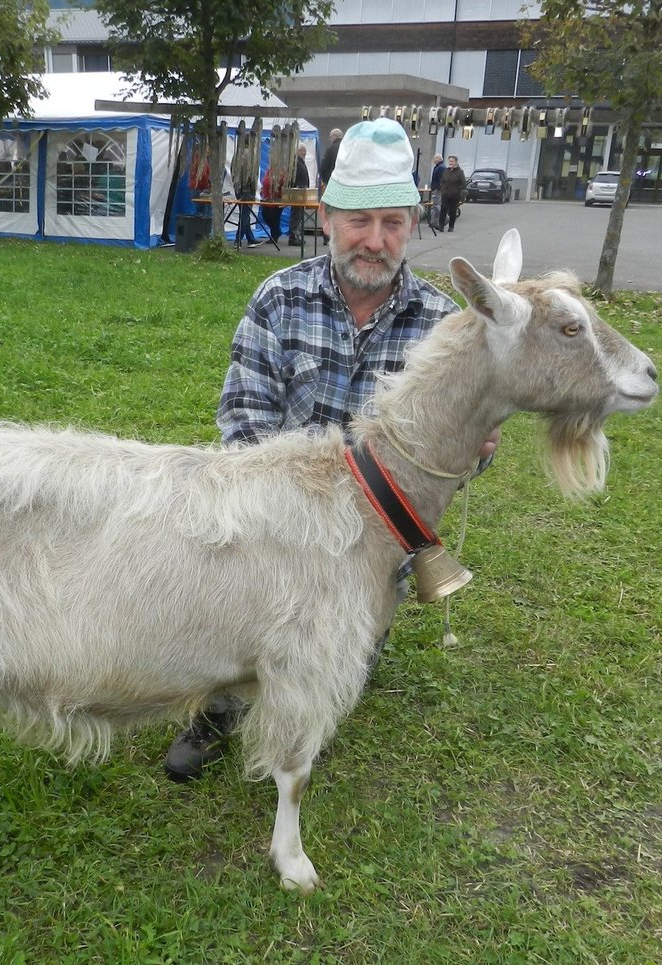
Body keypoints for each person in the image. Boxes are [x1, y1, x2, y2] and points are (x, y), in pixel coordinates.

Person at [164, 117, 499, 781]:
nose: (376, 241)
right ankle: (220, 707)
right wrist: (299, 521)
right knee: (247, 625)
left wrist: (478, 446)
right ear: (326, 216)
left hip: (375, 550)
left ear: (414, 221)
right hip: (279, 530)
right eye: (360, 221)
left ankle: (319, 678)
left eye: (394, 223)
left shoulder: (445, 325)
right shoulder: (277, 301)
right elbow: (244, 420)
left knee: (330, 672)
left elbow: (454, 463)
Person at [318, 128, 343, 245]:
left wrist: (325, 180)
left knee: (329, 211)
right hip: (346, 185)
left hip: (332, 184)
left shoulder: (330, 149)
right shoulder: (348, 148)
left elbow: (323, 167)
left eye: (330, 137)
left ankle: (327, 237)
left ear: (333, 137)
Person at [288, 143, 311, 246]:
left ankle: (296, 236)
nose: (304, 152)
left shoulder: (300, 161)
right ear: (297, 151)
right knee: (296, 215)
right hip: (298, 192)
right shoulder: (296, 162)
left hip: (301, 191)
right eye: (302, 150)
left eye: (305, 150)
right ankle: (293, 237)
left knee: (298, 215)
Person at [438, 155, 466, 232]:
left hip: (454, 195)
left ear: (456, 162)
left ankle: (451, 226)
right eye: (450, 161)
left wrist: (457, 191)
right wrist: (442, 189)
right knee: (443, 209)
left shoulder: (460, 172)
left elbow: (463, 184)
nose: (451, 163)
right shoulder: (446, 170)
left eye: (452, 161)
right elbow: (442, 181)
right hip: (445, 194)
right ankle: (441, 226)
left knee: (452, 211)